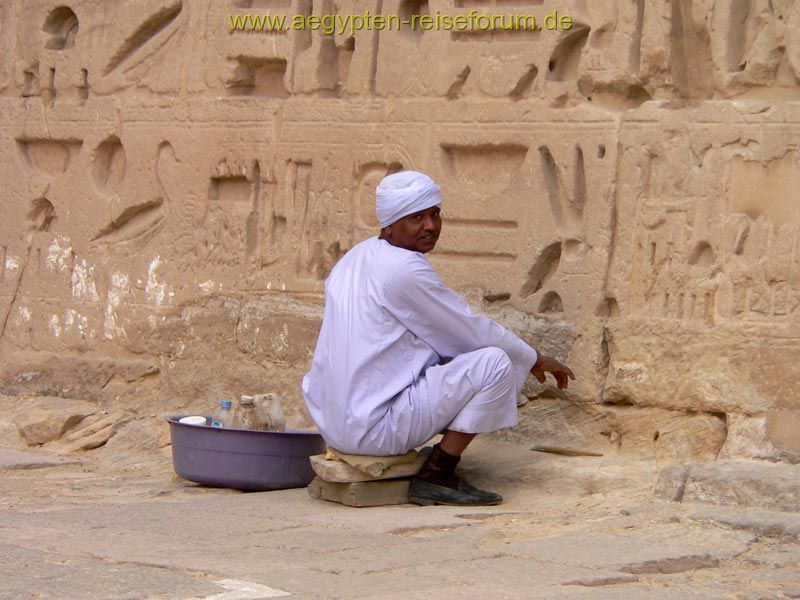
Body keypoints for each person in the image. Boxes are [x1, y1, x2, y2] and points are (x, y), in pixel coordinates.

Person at [302, 170, 574, 506]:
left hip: (333, 424)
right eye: (416, 217)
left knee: (453, 358)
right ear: (389, 225)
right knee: (494, 363)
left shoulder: (357, 257)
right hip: (374, 429)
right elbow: (468, 330)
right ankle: (438, 473)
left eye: (435, 214)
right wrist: (533, 358)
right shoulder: (403, 269)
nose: (430, 226)